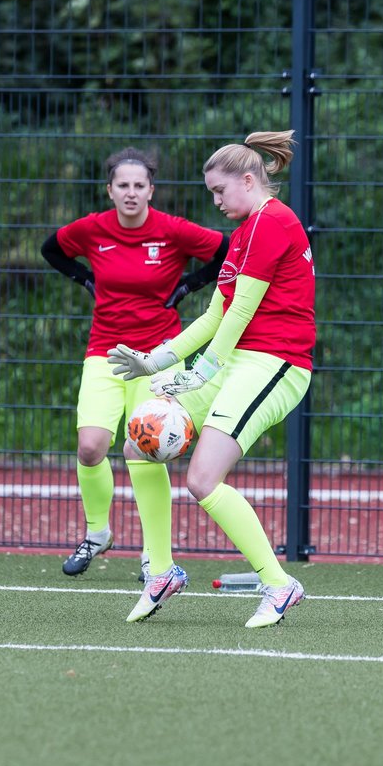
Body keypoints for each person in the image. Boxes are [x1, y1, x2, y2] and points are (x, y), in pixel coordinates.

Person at [107, 129, 315, 628]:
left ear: (248, 180)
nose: (216, 201)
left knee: (202, 478)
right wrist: (155, 361)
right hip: (238, 358)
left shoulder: (273, 221)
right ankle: (161, 572)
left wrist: (204, 370)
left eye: (220, 192)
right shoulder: (245, 231)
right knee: (140, 443)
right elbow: (213, 316)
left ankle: (279, 584)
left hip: (275, 364)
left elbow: (243, 308)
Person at [42, 147, 228, 581]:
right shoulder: (93, 230)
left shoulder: (172, 230)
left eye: (139, 185)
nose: (130, 193)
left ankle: (154, 557)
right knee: (90, 446)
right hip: (104, 351)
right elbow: (52, 250)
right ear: (110, 190)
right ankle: (97, 533)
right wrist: (85, 279)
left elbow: (224, 252)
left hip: (157, 356)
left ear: (151, 190)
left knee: (145, 453)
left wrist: (187, 287)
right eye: (122, 185)